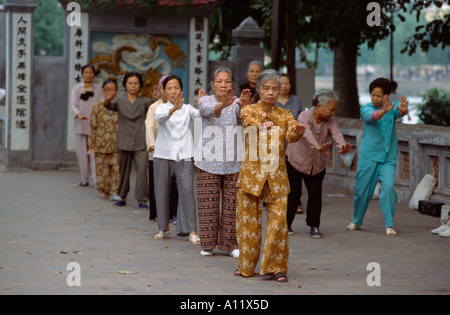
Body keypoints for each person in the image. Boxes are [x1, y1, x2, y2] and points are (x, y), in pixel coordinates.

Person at [235, 70, 306, 283]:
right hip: (251, 176)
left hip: (276, 177)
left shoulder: (285, 115)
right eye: (266, 88)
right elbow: (248, 124)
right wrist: (260, 125)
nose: (271, 93)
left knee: (278, 224)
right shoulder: (248, 110)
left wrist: (299, 131)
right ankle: (246, 266)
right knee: (248, 224)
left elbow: (292, 133)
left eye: (275, 89)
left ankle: (276, 268)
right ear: (259, 90)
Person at [195, 67, 251, 258]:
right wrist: (222, 105)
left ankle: (230, 244)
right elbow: (206, 111)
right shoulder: (205, 100)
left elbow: (246, 121)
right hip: (208, 162)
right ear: (212, 84)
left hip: (233, 162)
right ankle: (208, 244)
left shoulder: (236, 103)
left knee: (232, 205)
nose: (223, 85)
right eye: (219, 81)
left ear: (232, 85)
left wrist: (243, 107)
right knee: (207, 205)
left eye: (227, 81)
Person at [346, 77, 409, 236]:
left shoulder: (391, 109)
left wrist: (403, 110)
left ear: (386, 96)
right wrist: (383, 111)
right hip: (369, 157)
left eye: (379, 96)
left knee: (387, 188)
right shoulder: (365, 108)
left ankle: (389, 225)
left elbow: (399, 112)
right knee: (362, 192)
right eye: (373, 95)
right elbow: (371, 117)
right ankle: (356, 221)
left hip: (387, 158)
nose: (375, 98)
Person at [286, 89, 352, 238]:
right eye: (331, 109)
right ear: (320, 106)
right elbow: (306, 132)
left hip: (317, 165)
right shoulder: (304, 115)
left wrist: (342, 146)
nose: (333, 113)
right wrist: (316, 146)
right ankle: (287, 224)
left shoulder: (330, 120)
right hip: (296, 161)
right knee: (293, 195)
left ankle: (314, 225)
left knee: (315, 195)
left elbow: (336, 133)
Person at [153, 75, 201, 244]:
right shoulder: (160, 108)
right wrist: (173, 109)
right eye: (169, 88)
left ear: (181, 90)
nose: (173, 91)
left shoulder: (188, 109)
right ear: (164, 92)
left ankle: (192, 230)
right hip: (162, 155)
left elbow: (201, 115)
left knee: (187, 190)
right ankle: (164, 228)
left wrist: (202, 104)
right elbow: (161, 118)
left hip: (184, 156)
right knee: (161, 192)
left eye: (176, 88)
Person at [104, 72, 154, 209]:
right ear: (125, 85)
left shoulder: (144, 102)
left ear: (140, 86)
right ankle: (122, 196)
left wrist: (157, 98)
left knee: (143, 169)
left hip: (140, 141)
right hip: (124, 140)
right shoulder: (119, 101)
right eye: (130, 83)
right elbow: (109, 106)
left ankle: (142, 199)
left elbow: (156, 106)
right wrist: (107, 100)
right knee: (123, 170)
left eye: (136, 83)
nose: (133, 86)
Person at [145, 75, 178, 221]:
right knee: (157, 184)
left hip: (175, 151)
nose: (169, 91)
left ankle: (174, 213)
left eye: (173, 88)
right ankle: (157, 214)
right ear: (161, 90)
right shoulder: (154, 107)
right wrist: (151, 143)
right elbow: (149, 126)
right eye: (166, 88)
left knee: (175, 184)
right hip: (157, 150)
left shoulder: (179, 106)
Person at [276, 73, 306, 215]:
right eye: (281, 83)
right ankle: (275, 200)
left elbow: (302, 119)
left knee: (293, 175)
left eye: (287, 83)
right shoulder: (272, 99)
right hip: (275, 143)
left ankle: (296, 203)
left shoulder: (297, 100)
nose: (284, 86)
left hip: (293, 143)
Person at [87, 79, 120, 201]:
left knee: (117, 171)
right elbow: (92, 127)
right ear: (103, 90)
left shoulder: (119, 106)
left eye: (113, 89)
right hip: (100, 147)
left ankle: (114, 192)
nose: (111, 92)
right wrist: (91, 146)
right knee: (102, 176)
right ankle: (105, 191)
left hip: (117, 146)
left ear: (117, 91)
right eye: (108, 89)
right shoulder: (97, 107)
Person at [70, 64, 103, 187]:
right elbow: (73, 104)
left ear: (94, 74)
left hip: (94, 125)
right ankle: (84, 180)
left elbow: (101, 104)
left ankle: (96, 180)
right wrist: (78, 114)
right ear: (82, 74)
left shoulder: (98, 89)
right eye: (86, 72)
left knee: (94, 154)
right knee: (81, 153)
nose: (88, 74)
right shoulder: (77, 89)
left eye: (91, 72)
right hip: (80, 123)